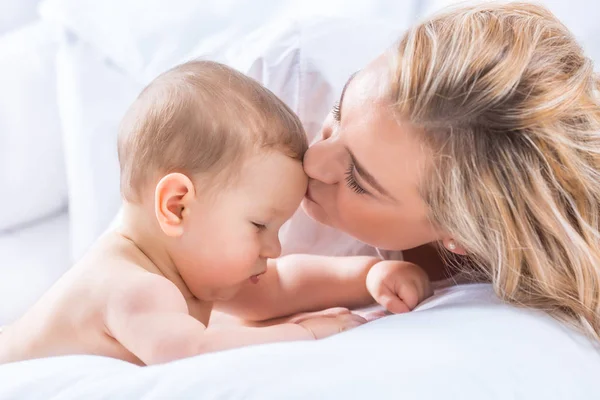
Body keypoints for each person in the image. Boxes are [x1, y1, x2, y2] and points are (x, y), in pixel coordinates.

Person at [221, 2, 600, 341]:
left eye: (357, 180)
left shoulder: (511, 259)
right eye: (339, 111)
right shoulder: (278, 87)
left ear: (460, 234)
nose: (312, 159)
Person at [0, 61, 397, 366]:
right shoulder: (133, 287)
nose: (273, 248)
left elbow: (282, 286)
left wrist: (369, 276)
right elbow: (191, 351)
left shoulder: (182, 267)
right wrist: (306, 334)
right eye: (260, 224)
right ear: (177, 206)